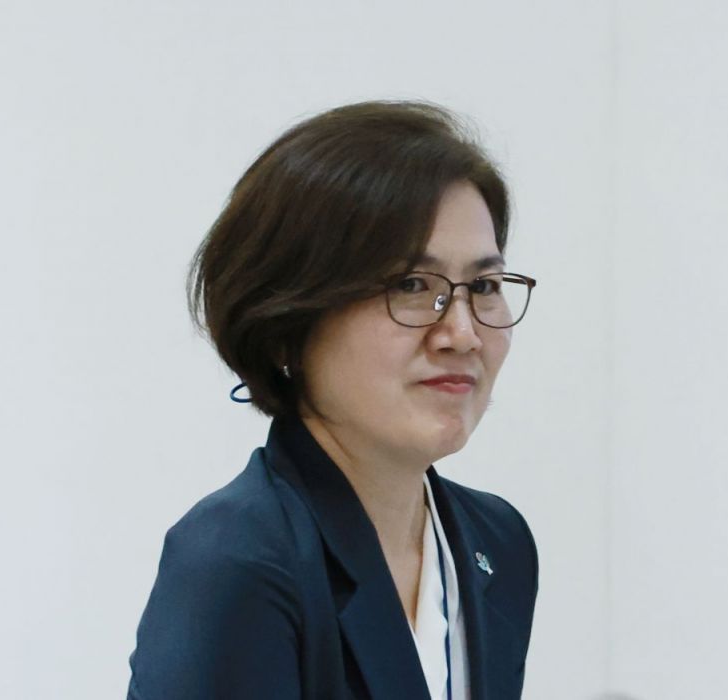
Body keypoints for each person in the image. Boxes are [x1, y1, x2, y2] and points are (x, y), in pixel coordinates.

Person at [127, 100, 539, 699]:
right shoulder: (238, 560)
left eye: (483, 286)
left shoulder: (496, 541)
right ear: (288, 322)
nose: (463, 333)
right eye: (411, 284)